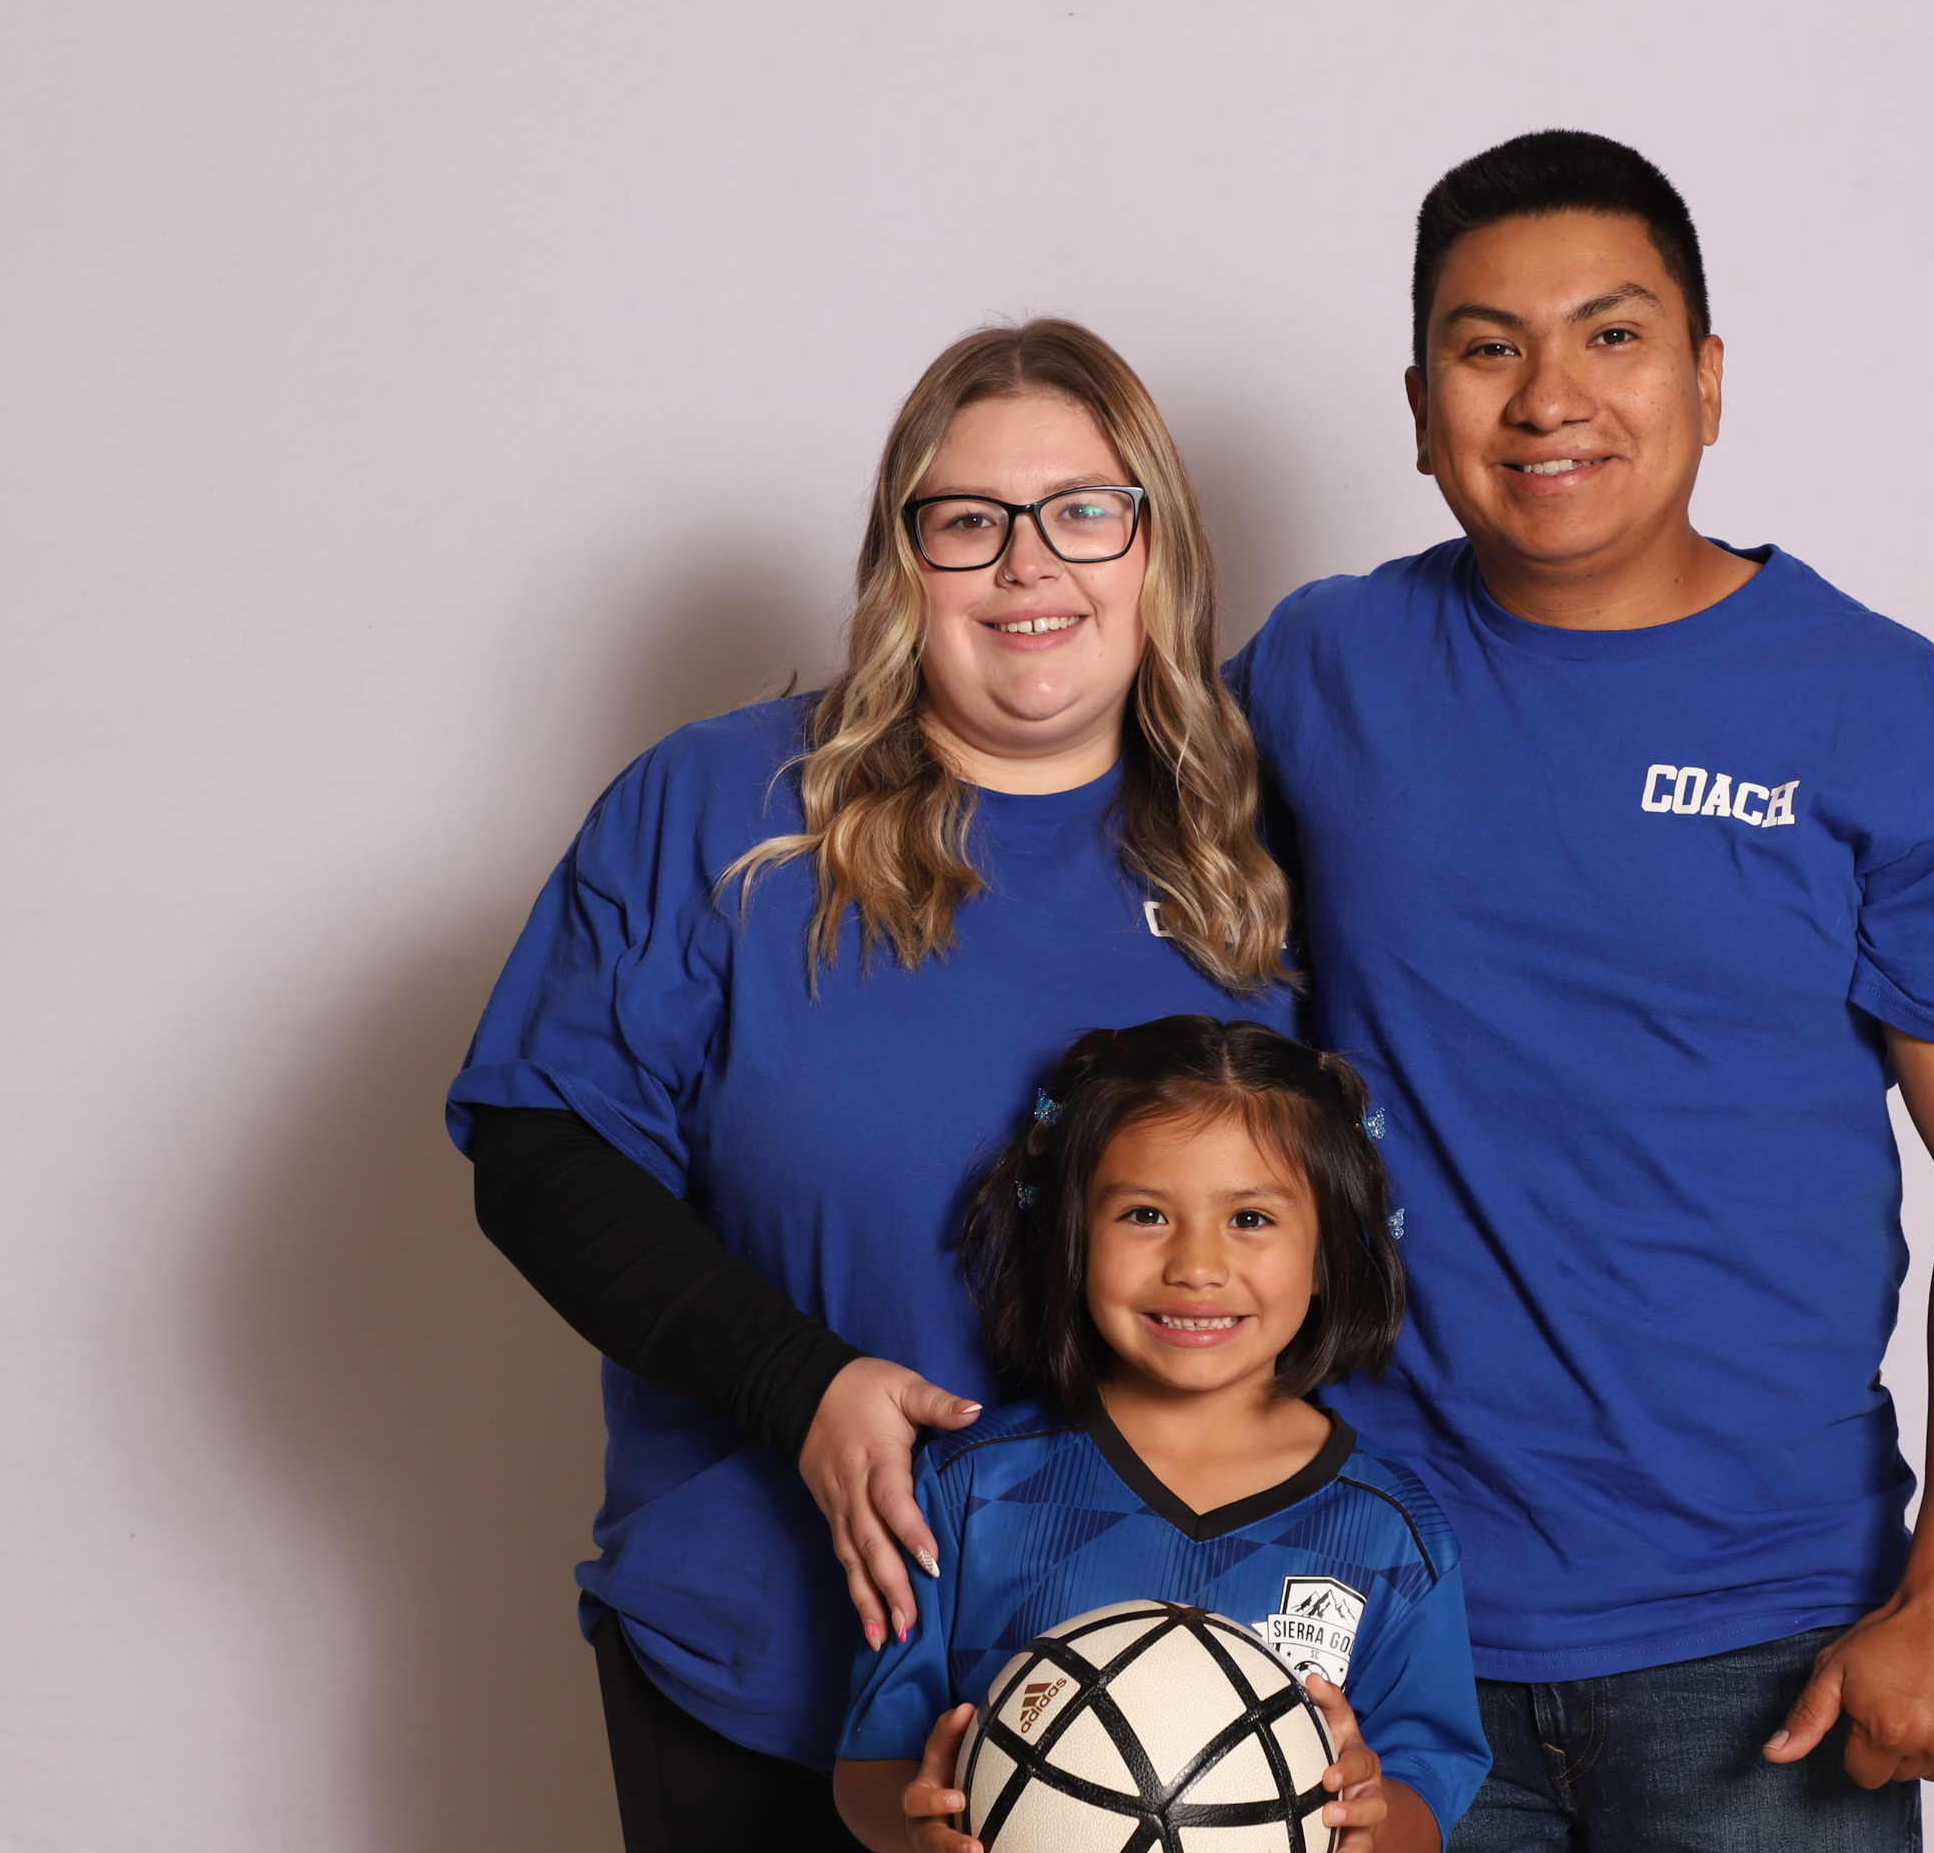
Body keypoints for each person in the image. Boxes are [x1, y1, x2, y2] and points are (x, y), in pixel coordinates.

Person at [1224, 131, 1934, 1850]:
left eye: (1610, 336)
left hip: (1768, 1632)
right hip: (1377, 1613)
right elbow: (1057, 830)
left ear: (1706, 377)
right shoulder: (1324, 667)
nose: (1549, 397)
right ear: (1421, 408)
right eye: (1488, 348)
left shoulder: (1886, 713)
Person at [447, 320, 1298, 1850]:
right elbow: (541, 1152)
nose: (1029, 566)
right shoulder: (725, 808)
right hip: (768, 1658)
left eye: (1084, 512)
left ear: (1157, 545)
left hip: (1169, 1687)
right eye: (969, 521)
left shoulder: (1260, 847)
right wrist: (805, 1387)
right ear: (904, 560)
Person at [834, 1016, 1491, 1853]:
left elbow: (1423, 1793)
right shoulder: (967, 1488)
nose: (1196, 1267)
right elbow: (868, 1768)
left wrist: (1375, 1821)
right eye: (1145, 1213)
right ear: (1073, 1235)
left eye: (1250, 1219)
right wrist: (913, 1821)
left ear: (1328, 1252)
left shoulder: (1392, 1528)